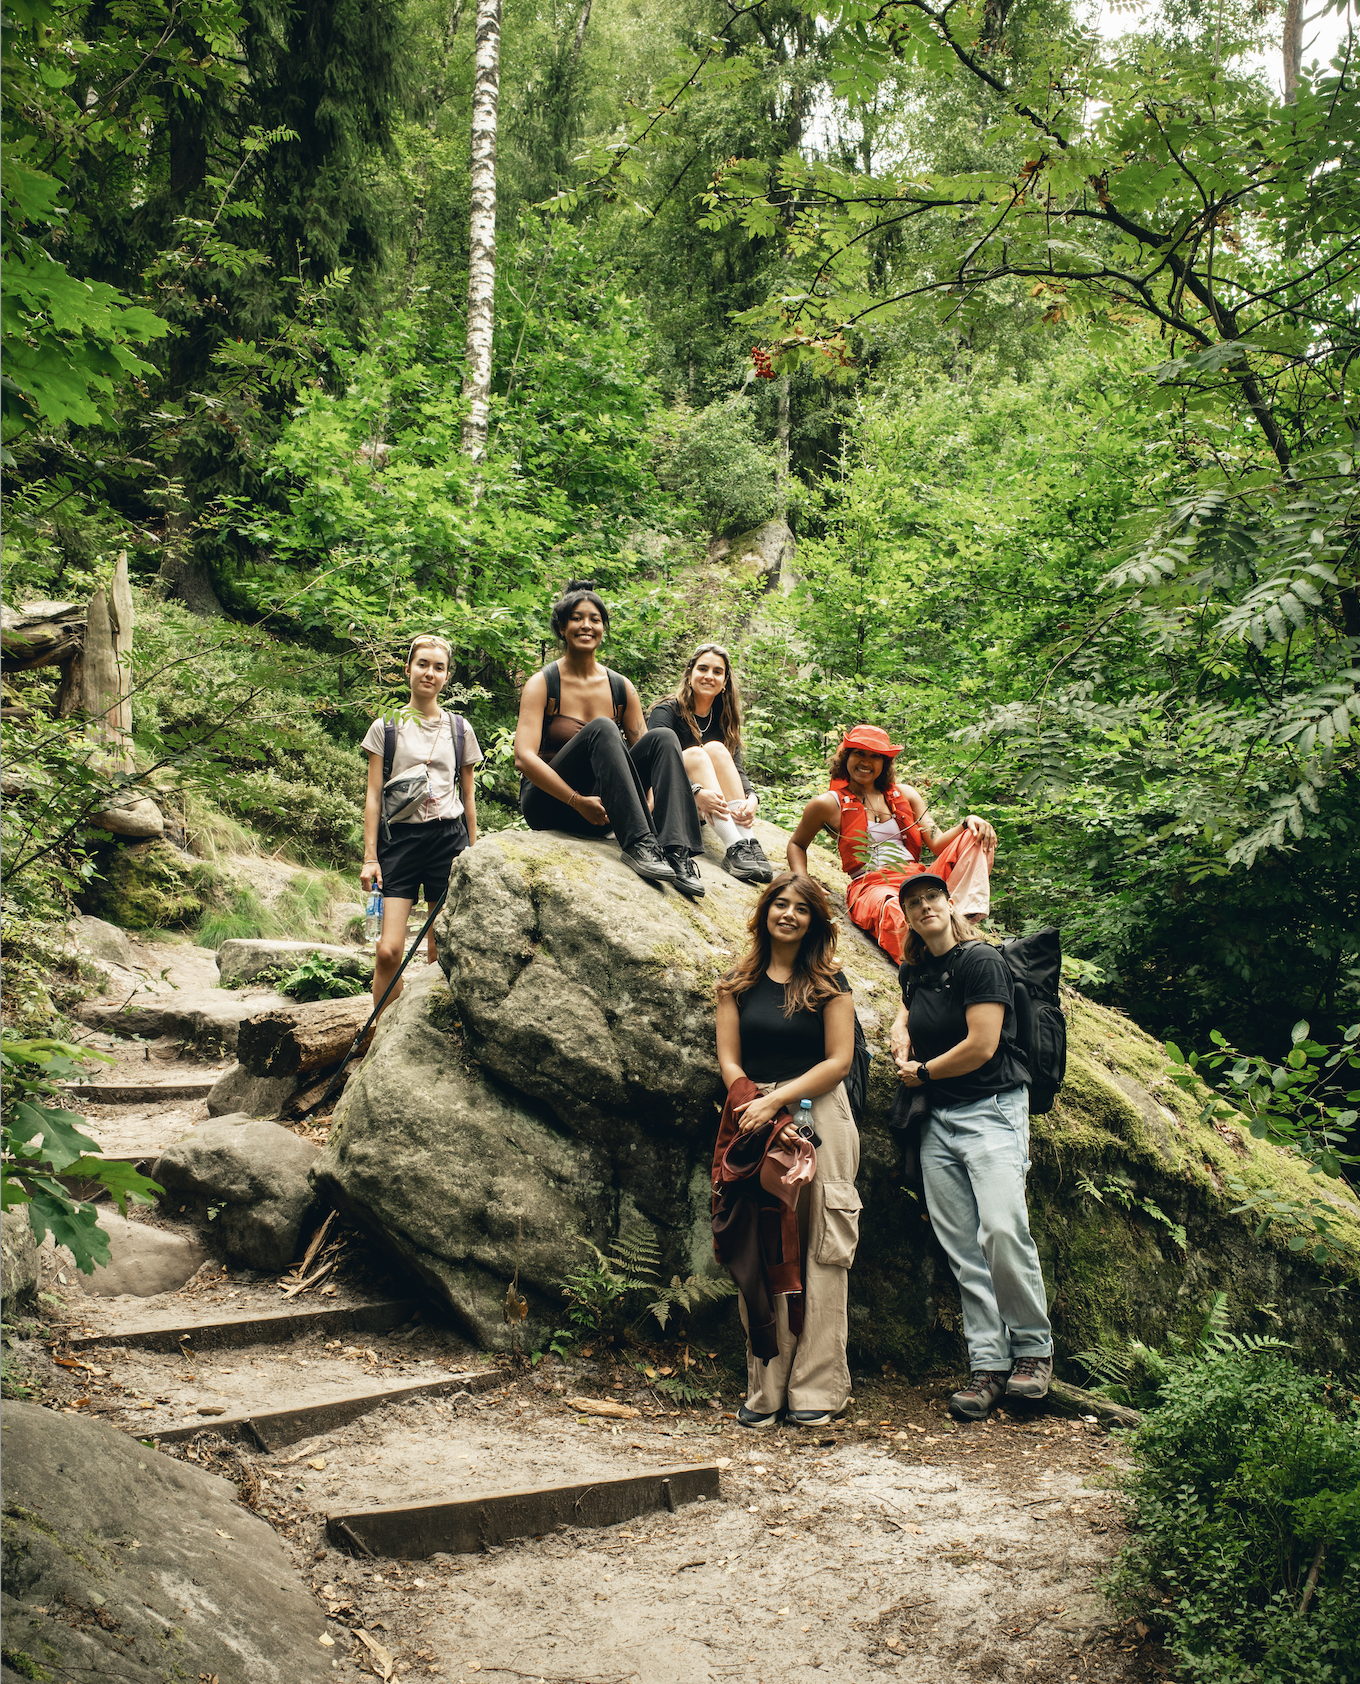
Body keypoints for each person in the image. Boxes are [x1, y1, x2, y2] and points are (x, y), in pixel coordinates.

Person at [889, 873, 1053, 1420]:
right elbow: (911, 1005)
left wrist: (922, 1072)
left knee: (1002, 1229)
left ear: (949, 903)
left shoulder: (979, 960)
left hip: (992, 1108)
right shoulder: (915, 971)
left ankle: (1033, 1352)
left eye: (932, 897)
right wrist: (900, 1027)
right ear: (907, 918)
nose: (924, 907)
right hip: (939, 1120)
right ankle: (988, 1367)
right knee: (962, 1246)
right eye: (913, 904)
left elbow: (982, 1045)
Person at [714, 872, 859, 1428]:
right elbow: (729, 1060)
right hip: (754, 1115)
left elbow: (838, 1061)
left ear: (813, 922)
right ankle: (767, 1387)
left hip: (819, 1111)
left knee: (823, 1245)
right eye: (781, 903)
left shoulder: (830, 984)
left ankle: (818, 1386)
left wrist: (782, 1100)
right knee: (761, 1246)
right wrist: (758, 1104)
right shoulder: (736, 983)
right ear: (765, 912)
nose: (789, 914)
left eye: (802, 907)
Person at [514, 580, 706, 898]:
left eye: (595, 619)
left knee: (663, 737)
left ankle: (676, 851)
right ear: (561, 628)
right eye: (577, 618)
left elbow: (649, 758)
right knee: (603, 727)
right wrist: (577, 801)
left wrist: (645, 805)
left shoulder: (620, 687)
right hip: (550, 806)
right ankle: (640, 845)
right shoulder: (543, 683)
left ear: (603, 628)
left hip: (603, 810)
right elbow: (524, 758)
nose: (586, 625)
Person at [786, 724, 997, 965]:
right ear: (846, 757)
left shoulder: (905, 794)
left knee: (975, 835)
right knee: (898, 910)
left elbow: (937, 844)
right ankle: (930, 966)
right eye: (859, 753)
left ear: (884, 763)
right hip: (872, 886)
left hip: (918, 878)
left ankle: (961, 917)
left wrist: (968, 822)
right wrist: (802, 880)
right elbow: (797, 844)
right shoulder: (827, 804)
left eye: (875, 756)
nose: (866, 762)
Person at [360, 634, 481, 1015]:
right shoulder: (387, 727)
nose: (430, 673)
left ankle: (425, 1038)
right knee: (388, 950)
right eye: (423, 664)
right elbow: (374, 796)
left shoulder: (460, 729)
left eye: (439, 667)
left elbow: (468, 795)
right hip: (400, 842)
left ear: (447, 676)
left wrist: (474, 855)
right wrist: (369, 857)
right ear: (408, 668)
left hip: (449, 840)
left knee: (437, 950)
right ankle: (379, 1038)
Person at [647, 644, 773, 886]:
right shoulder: (666, 712)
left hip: (701, 811)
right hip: (666, 799)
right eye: (702, 668)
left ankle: (747, 844)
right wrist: (695, 790)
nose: (709, 676)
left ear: (724, 681)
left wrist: (752, 797)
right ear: (689, 673)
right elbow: (654, 763)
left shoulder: (723, 717)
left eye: (717, 672)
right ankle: (733, 844)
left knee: (715, 748)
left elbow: (735, 767)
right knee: (696, 754)